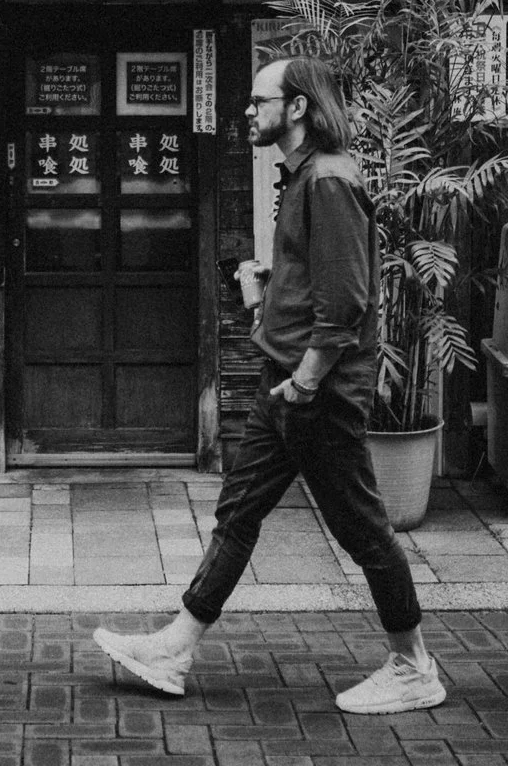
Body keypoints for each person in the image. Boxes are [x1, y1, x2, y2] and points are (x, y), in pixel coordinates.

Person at [93, 56, 446, 716]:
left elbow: (346, 302)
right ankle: (175, 648)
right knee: (239, 512)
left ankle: (414, 665)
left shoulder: (329, 180)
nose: (248, 111)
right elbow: (319, 283)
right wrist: (269, 288)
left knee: (364, 530)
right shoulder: (305, 176)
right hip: (283, 382)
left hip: (316, 393)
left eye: (259, 101)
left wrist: (306, 383)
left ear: (298, 107)